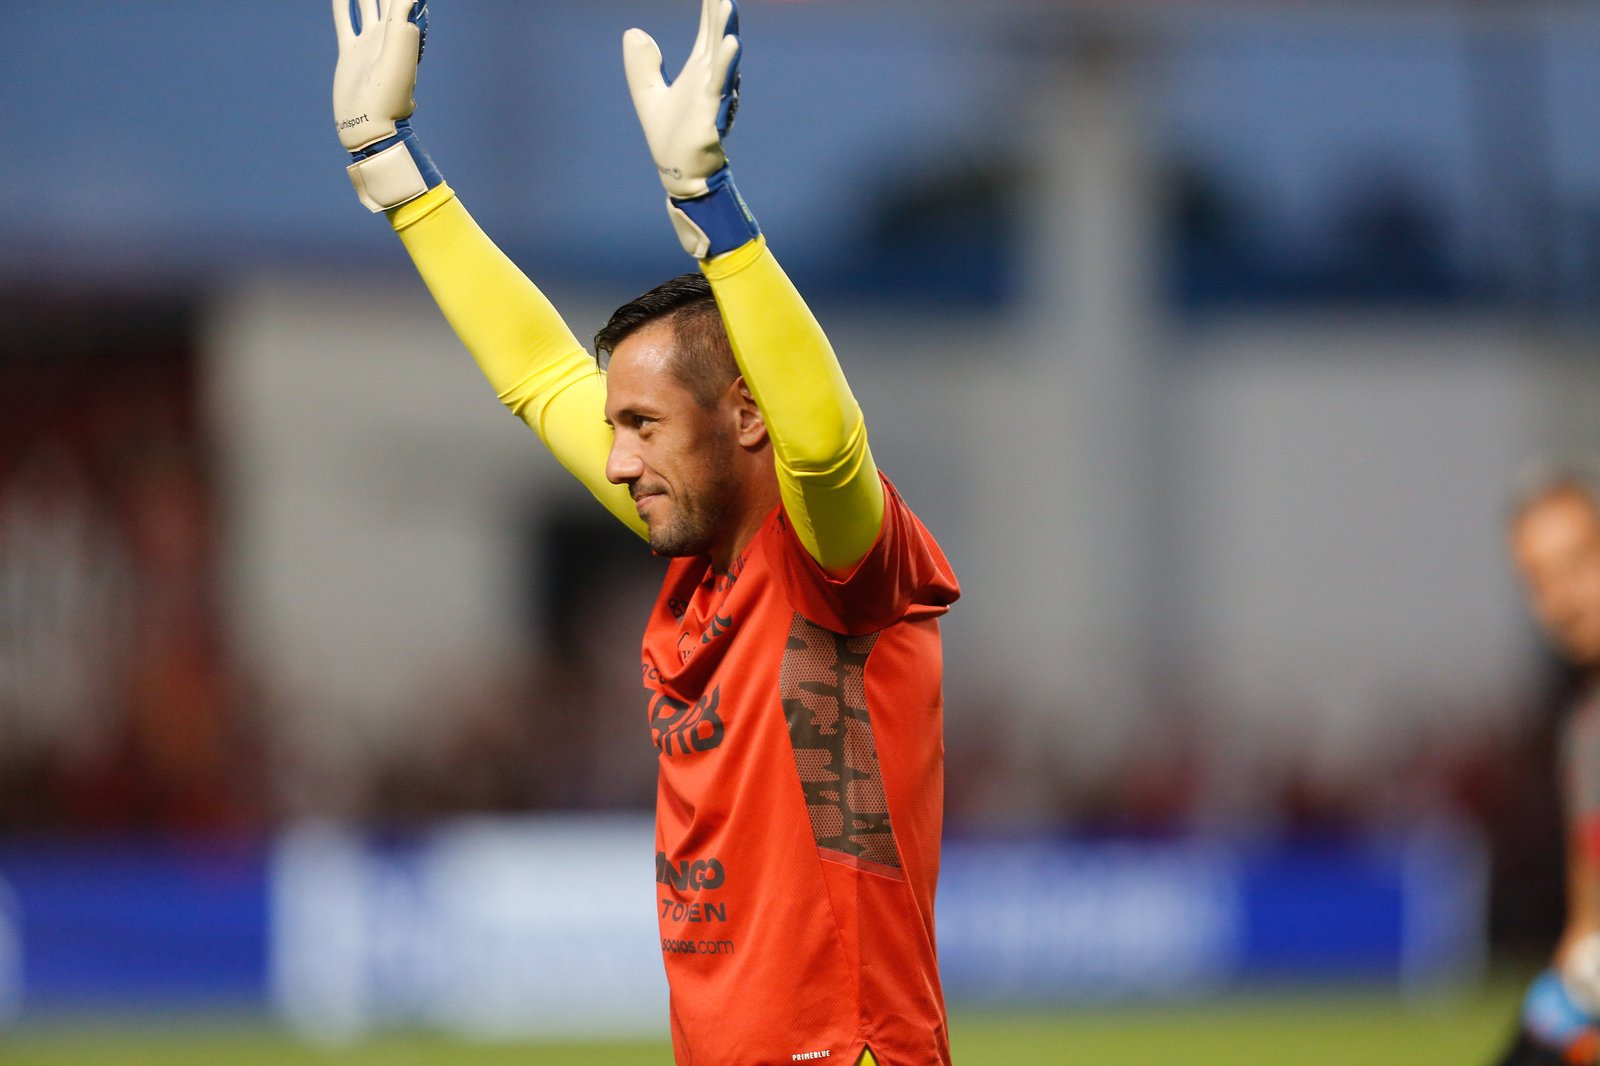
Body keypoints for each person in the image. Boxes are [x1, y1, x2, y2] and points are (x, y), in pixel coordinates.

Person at [329, 3, 960, 1064]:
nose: (616, 461)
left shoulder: (836, 567)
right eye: (616, 427)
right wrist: (391, 170)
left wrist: (709, 209)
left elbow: (823, 444)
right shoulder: (703, 563)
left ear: (746, 415)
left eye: (644, 425)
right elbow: (540, 376)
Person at [1503, 470, 1600, 1066]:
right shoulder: (1585, 738)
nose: (1562, 599)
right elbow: (1589, 927)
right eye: (1538, 581)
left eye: (1580, 561)